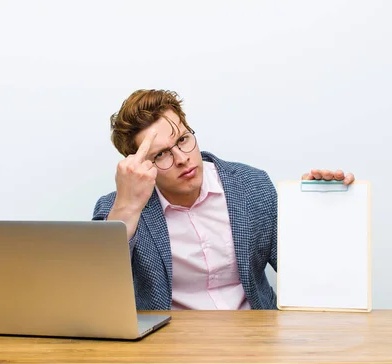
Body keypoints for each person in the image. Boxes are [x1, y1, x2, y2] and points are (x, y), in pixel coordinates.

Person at [92, 89, 355, 310]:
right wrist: (128, 207)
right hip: (169, 349)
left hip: (256, 340)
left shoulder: (252, 186)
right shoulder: (118, 210)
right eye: (161, 154)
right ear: (140, 165)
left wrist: (318, 209)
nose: (182, 158)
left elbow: (305, 271)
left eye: (183, 139)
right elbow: (100, 295)